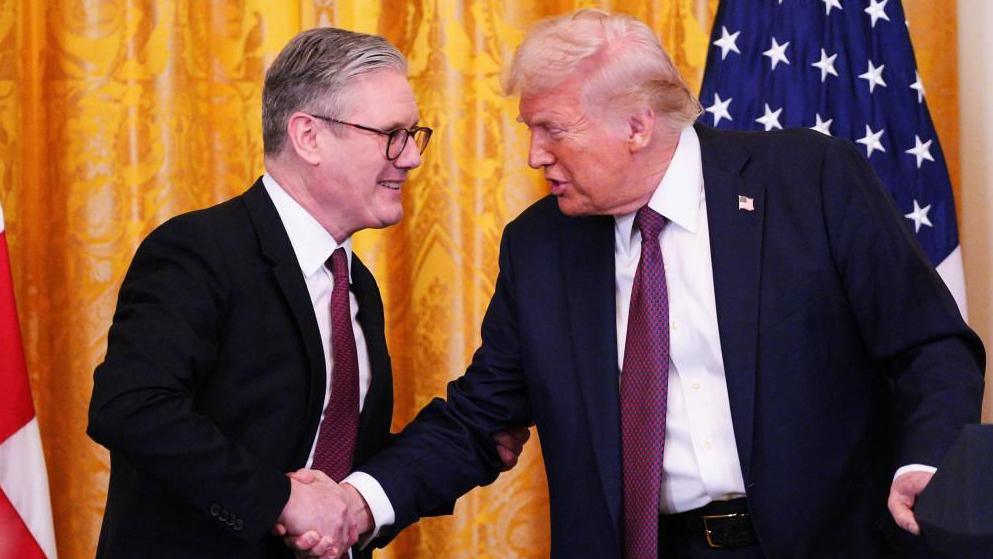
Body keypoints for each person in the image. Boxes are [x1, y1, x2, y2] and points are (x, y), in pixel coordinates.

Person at [290, 9, 986, 559]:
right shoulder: (541, 246)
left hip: (831, 543)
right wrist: (359, 502)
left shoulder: (809, 180)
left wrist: (922, 465)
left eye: (551, 130)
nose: (535, 156)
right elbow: (480, 419)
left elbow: (930, 346)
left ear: (635, 124)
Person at [87, 27, 524, 559]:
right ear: (308, 136)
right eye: (392, 134)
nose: (410, 157)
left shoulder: (353, 282)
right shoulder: (199, 250)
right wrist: (279, 501)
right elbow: (131, 408)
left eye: (414, 134)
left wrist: (469, 444)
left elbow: (328, 464)